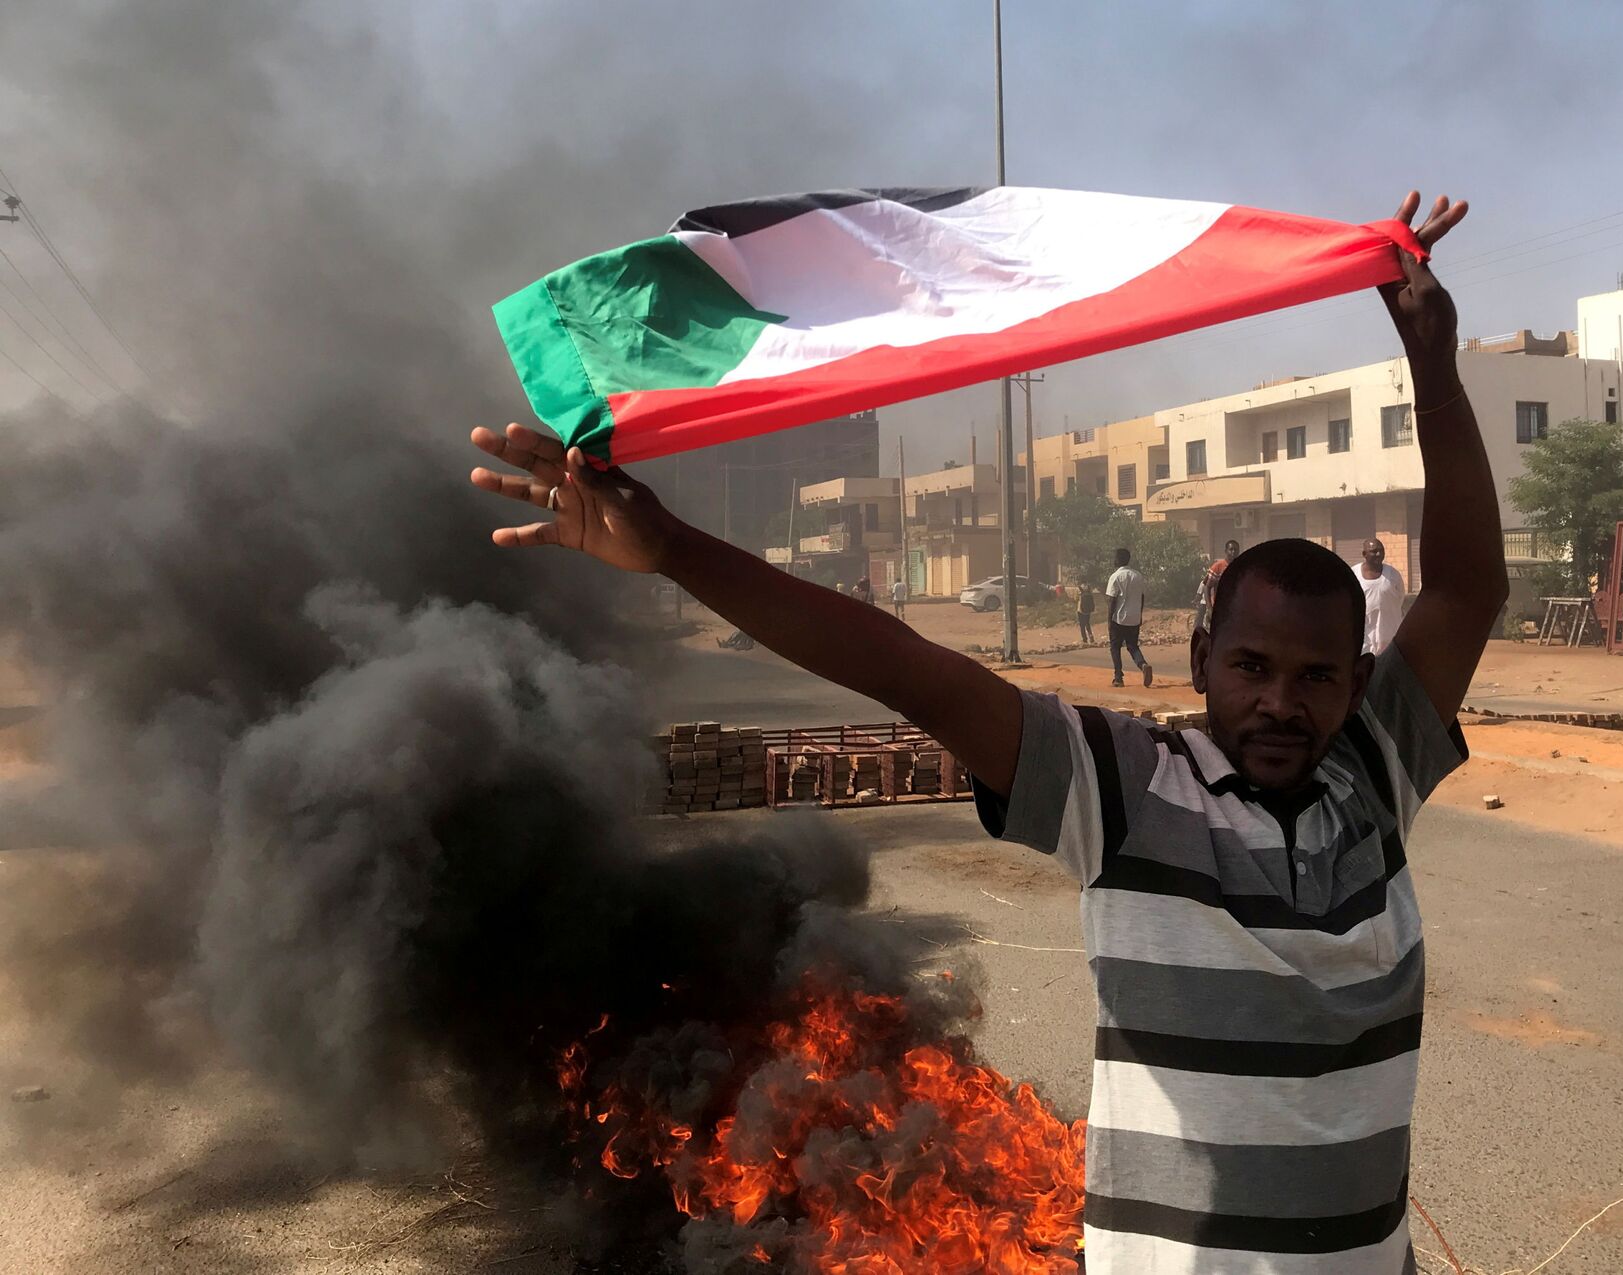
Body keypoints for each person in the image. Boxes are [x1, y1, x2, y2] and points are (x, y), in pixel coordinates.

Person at [470, 191, 1501, 1275]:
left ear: (1358, 685)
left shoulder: (1375, 776)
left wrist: (1433, 359)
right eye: (1250, 667)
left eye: (1314, 677)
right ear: (1199, 663)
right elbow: (905, 667)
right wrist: (674, 546)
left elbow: (1471, 585)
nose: (1281, 703)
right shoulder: (1126, 787)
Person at [1104, 547, 1151, 688]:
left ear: (1118, 560)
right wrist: (1139, 614)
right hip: (1134, 617)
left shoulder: (1115, 577)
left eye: (1114, 557)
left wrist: (1109, 620)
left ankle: (1118, 677)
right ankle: (1143, 664)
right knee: (1132, 646)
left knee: (1115, 647)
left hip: (1119, 618)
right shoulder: (1138, 576)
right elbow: (1141, 598)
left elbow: (1111, 600)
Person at [1354, 537, 1408, 655]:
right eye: (1374, 551)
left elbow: (1400, 599)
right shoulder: (1354, 576)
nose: (1378, 554)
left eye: (1381, 550)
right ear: (1364, 554)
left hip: (1390, 641)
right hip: (1365, 643)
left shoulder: (1393, 575)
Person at [1194, 537, 1242, 631]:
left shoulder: (1240, 567)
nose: (1233, 552)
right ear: (1226, 551)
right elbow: (1207, 587)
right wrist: (1209, 608)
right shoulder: (1218, 567)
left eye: (1235, 550)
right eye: (1231, 549)